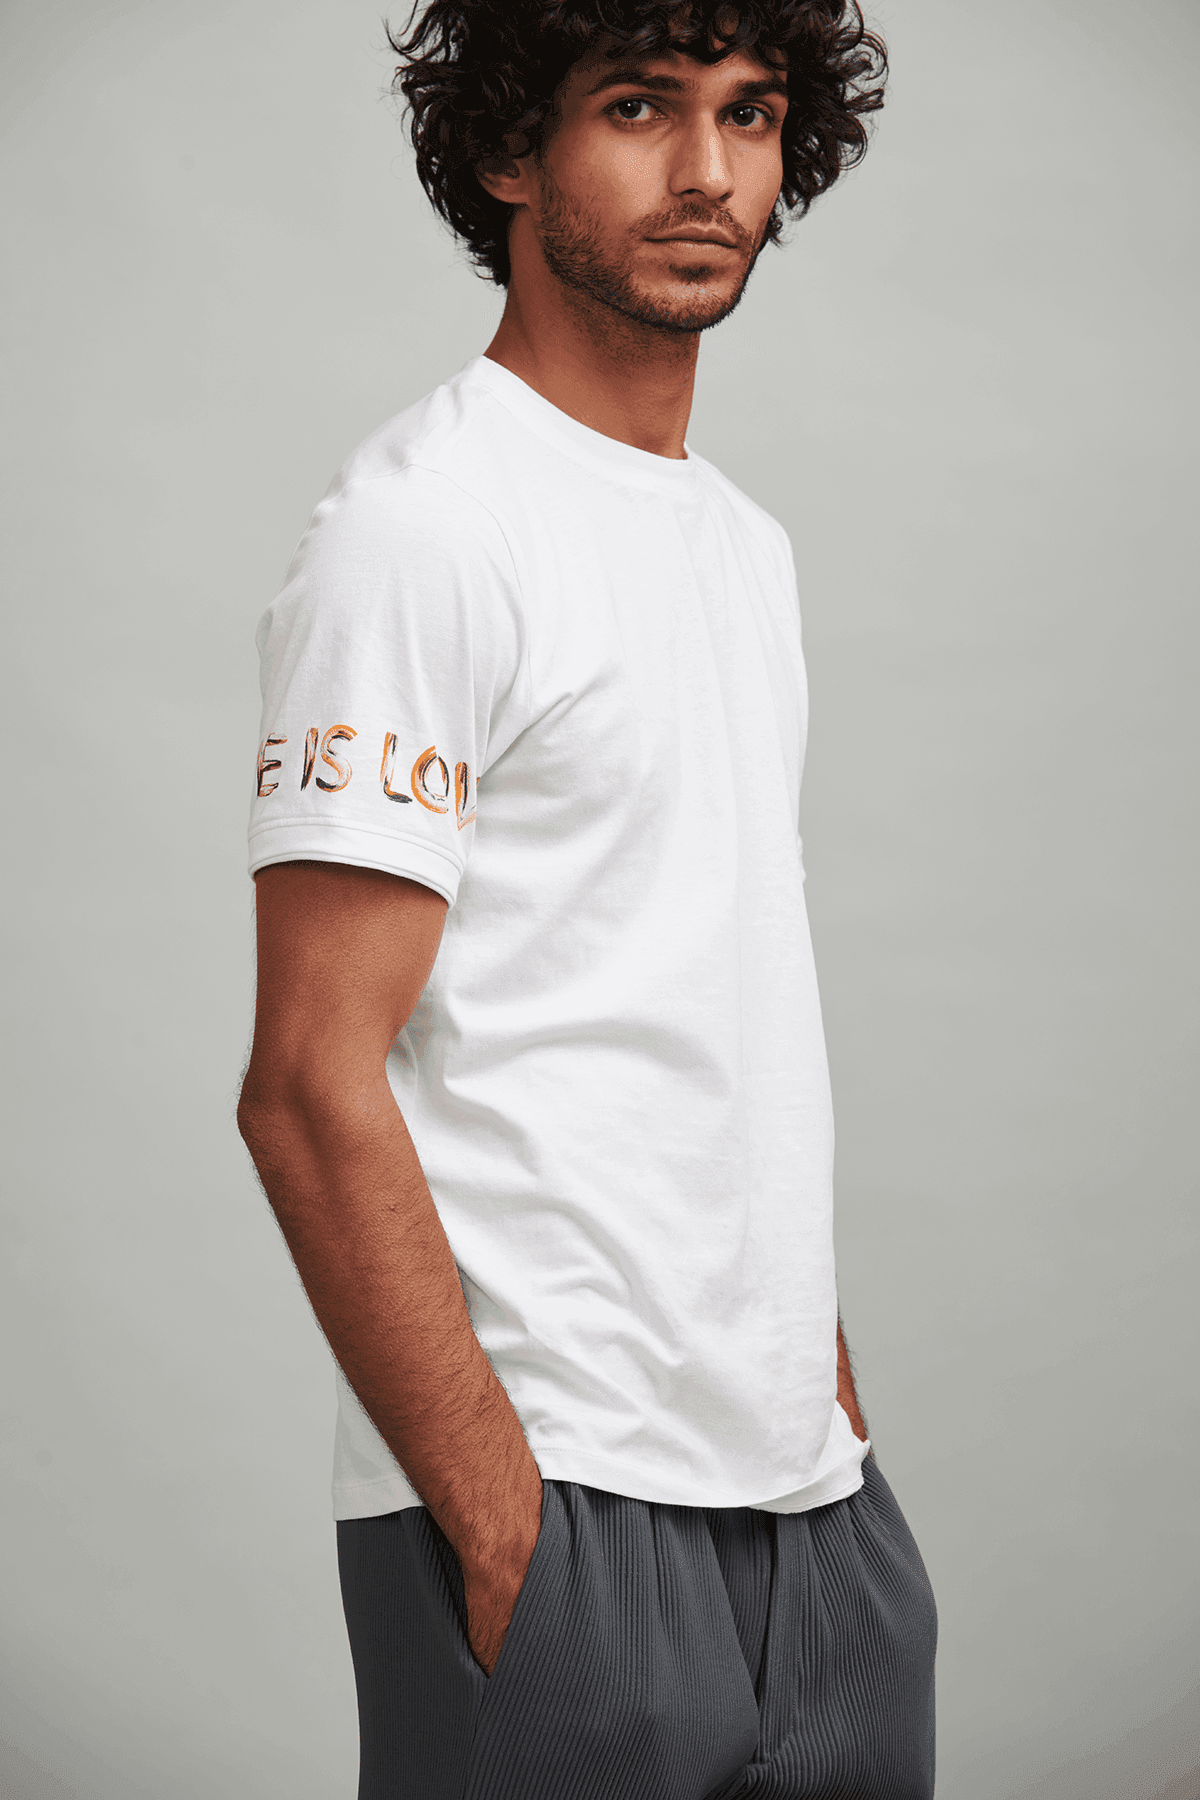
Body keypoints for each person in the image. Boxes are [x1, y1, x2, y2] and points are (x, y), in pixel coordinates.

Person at [237, 2, 937, 1794]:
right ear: (506, 150)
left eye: (751, 114)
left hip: (815, 1515)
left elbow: (717, 1010)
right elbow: (307, 1084)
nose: (709, 172)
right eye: (639, 107)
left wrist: (834, 1423)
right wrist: (503, 1536)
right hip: (559, 1511)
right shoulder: (424, 529)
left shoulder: (745, 548)